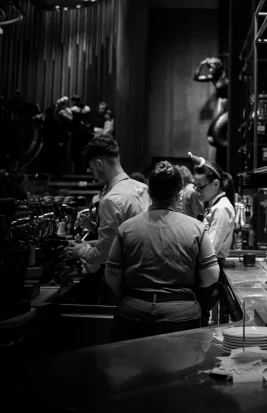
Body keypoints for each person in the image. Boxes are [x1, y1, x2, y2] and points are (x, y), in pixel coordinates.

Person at [105, 161, 219, 342]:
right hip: (182, 314)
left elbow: (111, 277)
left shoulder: (126, 228)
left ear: (149, 193)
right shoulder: (196, 228)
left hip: (133, 311)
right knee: (182, 369)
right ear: (179, 195)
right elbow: (211, 275)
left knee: (132, 368)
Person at [66, 135, 149, 293]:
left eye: (92, 169)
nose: (93, 174)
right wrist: (89, 240)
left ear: (99, 164)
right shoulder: (143, 188)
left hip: (127, 282)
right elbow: (124, 239)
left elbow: (105, 253)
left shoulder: (111, 200)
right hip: (148, 274)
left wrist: (81, 251)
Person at [190, 153, 236, 325]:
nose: (198, 191)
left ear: (216, 184)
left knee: (200, 318)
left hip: (210, 268)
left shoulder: (221, 209)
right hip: (207, 267)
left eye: (201, 187)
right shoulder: (215, 206)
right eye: (196, 186)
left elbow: (212, 248)